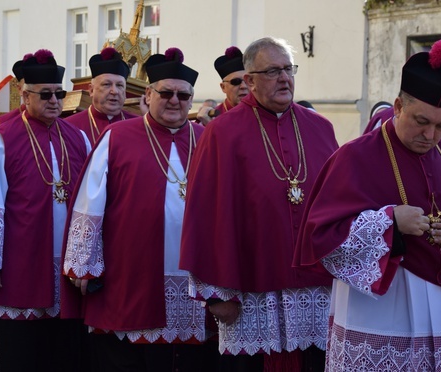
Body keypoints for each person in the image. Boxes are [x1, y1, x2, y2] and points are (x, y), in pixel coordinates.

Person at [294, 39, 441, 371]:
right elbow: (321, 234)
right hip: (382, 303)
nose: (430, 135)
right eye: (421, 121)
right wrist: (388, 221)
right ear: (397, 106)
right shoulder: (354, 157)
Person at [180, 37, 338, 371]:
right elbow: (205, 215)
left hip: (316, 288)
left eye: (288, 69)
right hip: (253, 289)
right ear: (249, 80)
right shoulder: (221, 132)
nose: (284, 78)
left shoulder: (320, 128)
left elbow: (338, 203)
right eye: (272, 71)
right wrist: (217, 294)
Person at [63, 48, 214, 372]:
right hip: (131, 274)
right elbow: (90, 204)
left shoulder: (207, 139)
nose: (175, 101)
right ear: (148, 94)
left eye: (183, 95)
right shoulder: (117, 137)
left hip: (193, 275)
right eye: (166, 93)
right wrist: (83, 265)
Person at [0, 49, 90, 371]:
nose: (55, 101)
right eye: (46, 94)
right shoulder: (3, 137)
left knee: (65, 353)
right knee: (22, 354)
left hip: (64, 267)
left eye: (60, 94)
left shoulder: (78, 137)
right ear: (25, 94)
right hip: (20, 263)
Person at [65, 47, 138, 143]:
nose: (114, 91)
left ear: (125, 92)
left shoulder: (139, 126)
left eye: (119, 85)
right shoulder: (69, 127)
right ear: (91, 90)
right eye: (107, 84)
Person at [196, 46, 249, 125]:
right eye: (236, 81)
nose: (243, 86)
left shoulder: (265, 113)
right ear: (223, 87)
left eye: (248, 80)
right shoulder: (209, 118)